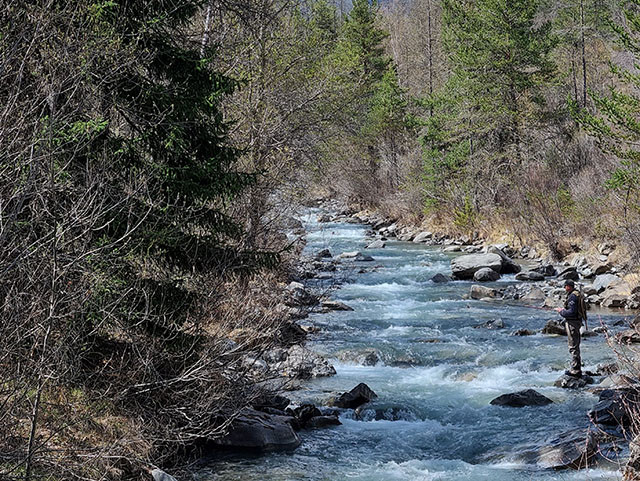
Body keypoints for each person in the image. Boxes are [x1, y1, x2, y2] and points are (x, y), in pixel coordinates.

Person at [556, 279, 585, 378]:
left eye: (565, 286)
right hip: (576, 322)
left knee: (573, 346)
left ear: (569, 286)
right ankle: (577, 368)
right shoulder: (576, 294)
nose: (564, 288)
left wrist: (561, 311)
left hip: (573, 323)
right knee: (575, 345)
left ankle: (576, 370)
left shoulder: (573, 296)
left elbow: (572, 312)